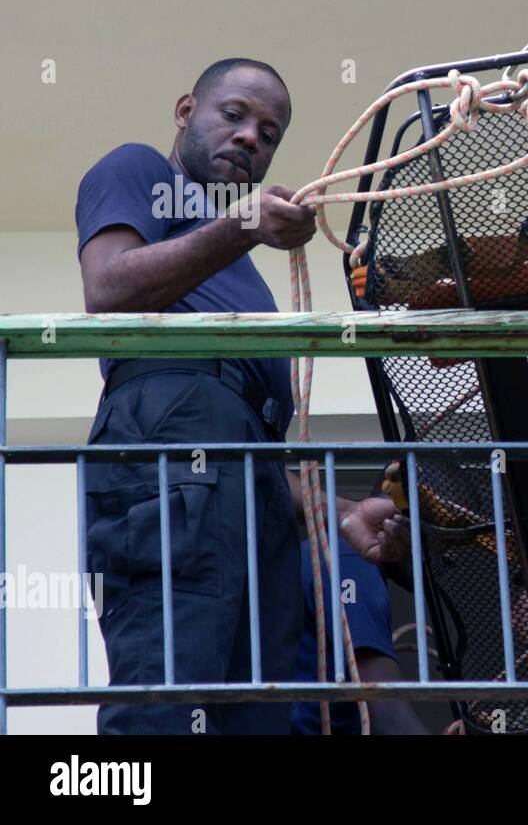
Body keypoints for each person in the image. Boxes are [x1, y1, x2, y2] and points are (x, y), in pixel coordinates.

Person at [76, 58, 408, 735]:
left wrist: (336, 509)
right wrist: (242, 228)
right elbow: (107, 291)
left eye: (269, 132)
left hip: (247, 488)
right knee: (171, 688)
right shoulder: (139, 170)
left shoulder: (238, 269)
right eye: (234, 115)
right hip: (172, 452)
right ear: (184, 112)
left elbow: (247, 455)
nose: (251, 137)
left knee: (257, 713)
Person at [292, 536, 429, 735]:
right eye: (443, 543)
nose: (450, 559)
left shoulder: (322, 554)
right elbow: (391, 721)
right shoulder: (348, 562)